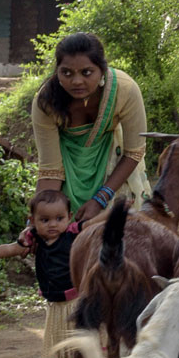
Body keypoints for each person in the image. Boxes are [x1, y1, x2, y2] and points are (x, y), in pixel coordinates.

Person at [31, 32, 150, 223]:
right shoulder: (46, 102)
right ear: (57, 71)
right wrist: (36, 223)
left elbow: (134, 152)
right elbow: (50, 170)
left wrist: (100, 198)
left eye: (86, 72)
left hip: (115, 167)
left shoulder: (125, 89)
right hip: (67, 171)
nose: (76, 81)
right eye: (67, 73)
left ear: (102, 70)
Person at [0, 190, 80, 358]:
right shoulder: (33, 239)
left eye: (59, 218)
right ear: (32, 221)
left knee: (81, 333)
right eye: (45, 220)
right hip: (55, 301)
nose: (52, 224)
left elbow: (98, 224)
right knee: (60, 335)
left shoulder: (73, 234)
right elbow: (11, 249)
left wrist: (119, 210)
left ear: (69, 218)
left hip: (77, 298)